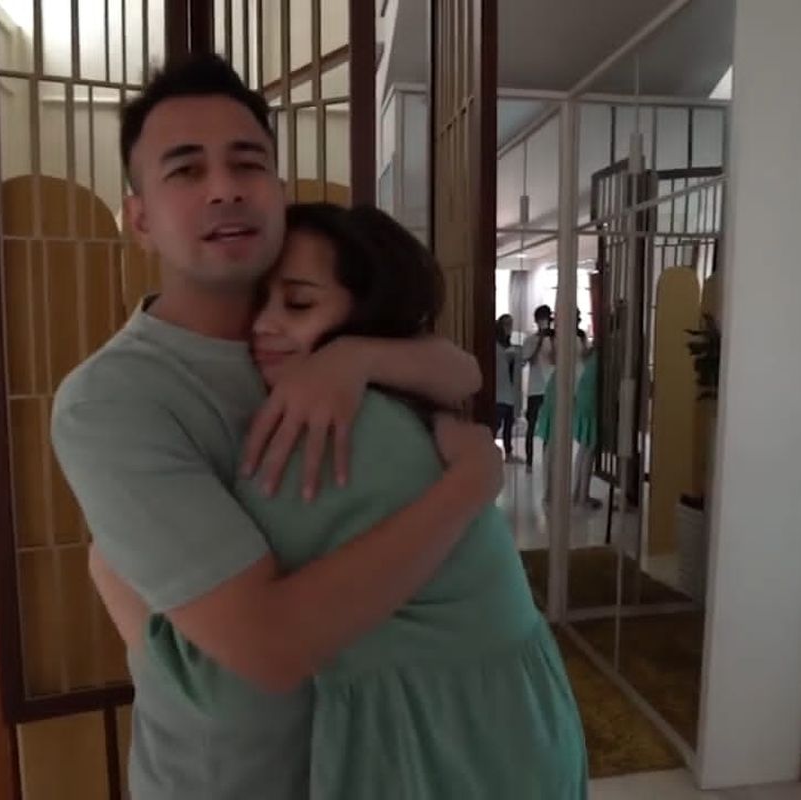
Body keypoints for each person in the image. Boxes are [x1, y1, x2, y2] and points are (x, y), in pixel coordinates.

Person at [51, 54, 500, 799]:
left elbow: (461, 370)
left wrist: (355, 358)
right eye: (186, 170)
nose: (224, 187)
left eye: (248, 163)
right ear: (141, 219)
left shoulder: (322, 330)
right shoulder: (112, 400)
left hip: (378, 761)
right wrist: (468, 489)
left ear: (280, 193)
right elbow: (269, 647)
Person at [91, 202, 589, 798]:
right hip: (517, 723)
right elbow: (462, 369)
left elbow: (222, 684)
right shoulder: (398, 399)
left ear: (366, 313)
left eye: (298, 304)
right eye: (258, 301)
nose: (262, 324)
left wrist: (110, 567)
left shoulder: (335, 434)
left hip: (459, 748)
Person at [538, 328, 601, 511]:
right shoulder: (567, 340)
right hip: (566, 391)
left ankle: (553, 492)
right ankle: (555, 492)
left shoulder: (562, 340)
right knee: (557, 445)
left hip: (564, 390)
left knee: (555, 445)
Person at [521, 304, 556, 471]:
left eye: (546, 319)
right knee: (532, 425)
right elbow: (529, 360)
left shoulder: (554, 339)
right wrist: (540, 341)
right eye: (541, 319)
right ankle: (529, 461)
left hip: (550, 388)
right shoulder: (529, 340)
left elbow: (555, 360)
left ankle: (547, 458)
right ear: (536, 321)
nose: (544, 322)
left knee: (549, 426)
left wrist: (552, 341)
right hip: (535, 389)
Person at [494, 313, 520, 460]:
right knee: (497, 423)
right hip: (499, 390)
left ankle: (508, 452)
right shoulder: (495, 346)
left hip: (509, 390)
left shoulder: (510, 346)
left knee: (509, 424)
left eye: (511, 324)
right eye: (507, 324)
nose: (509, 328)